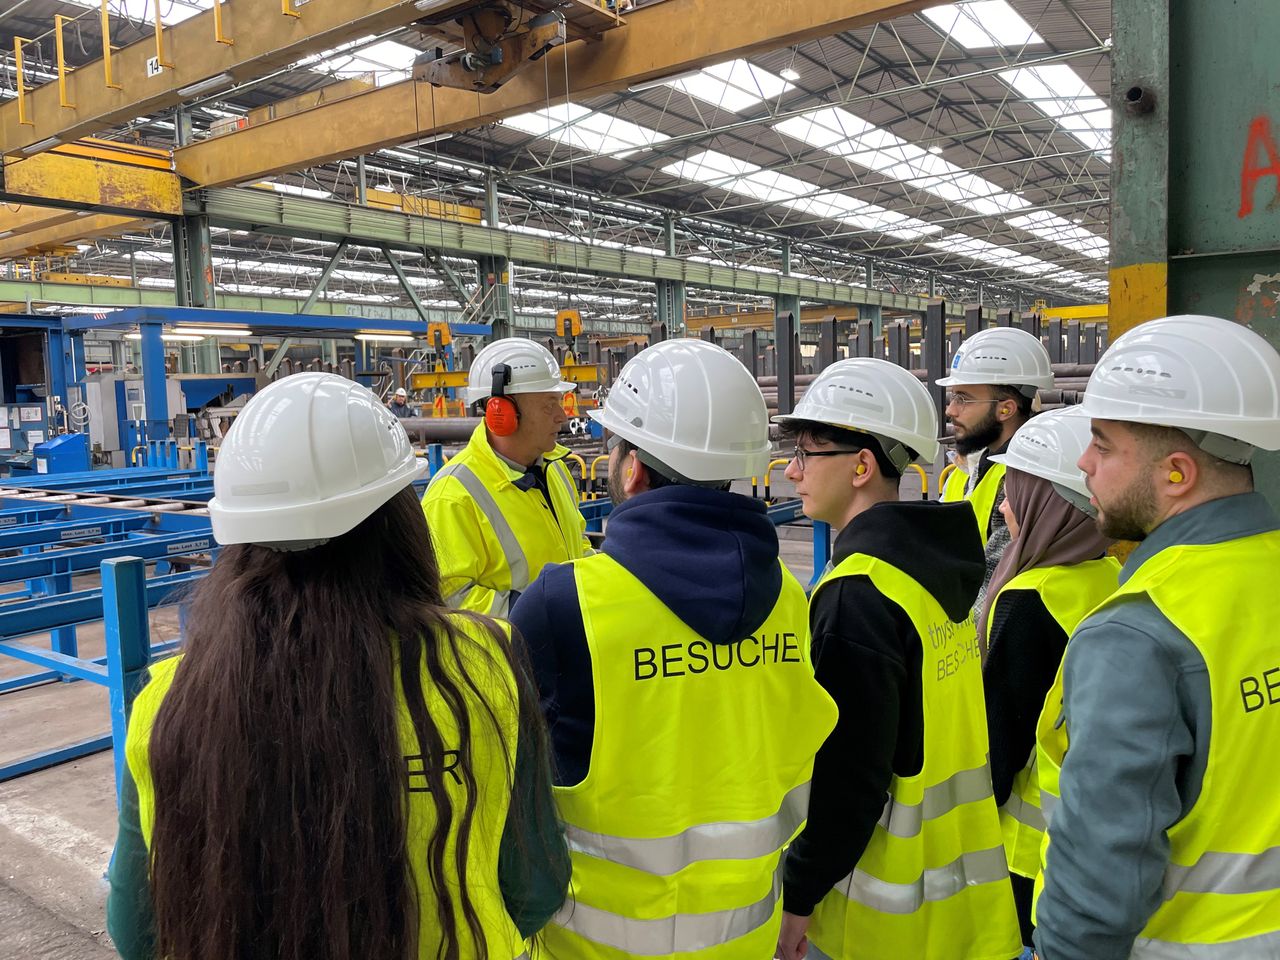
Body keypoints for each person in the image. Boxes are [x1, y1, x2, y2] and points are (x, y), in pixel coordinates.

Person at [107, 373, 569, 960]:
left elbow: (136, 929)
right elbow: (535, 889)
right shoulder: (485, 667)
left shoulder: (170, 702)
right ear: (402, 522)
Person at [509, 339, 838, 959]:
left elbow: (515, 804)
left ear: (631, 469)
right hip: (746, 938)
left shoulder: (563, 605)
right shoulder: (790, 600)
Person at [1032, 315, 1280, 960]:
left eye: (1104, 445)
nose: (1082, 463)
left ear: (1176, 473)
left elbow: (1100, 868)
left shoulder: (1138, 629)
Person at [773, 358, 1020, 960]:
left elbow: (850, 780)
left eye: (810, 452)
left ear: (861, 466)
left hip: (873, 915)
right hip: (956, 900)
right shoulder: (934, 569)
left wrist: (798, 896)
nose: (791, 469)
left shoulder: (858, 595)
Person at [976, 408, 1120, 947]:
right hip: (1086, 826)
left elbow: (1001, 737)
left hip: (1025, 844)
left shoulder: (1028, 599)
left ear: (1051, 507)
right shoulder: (1111, 574)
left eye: (1017, 493)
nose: (1007, 506)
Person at [423, 338, 590, 617]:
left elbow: (577, 544)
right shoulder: (453, 497)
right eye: (549, 405)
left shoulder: (555, 468)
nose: (562, 416)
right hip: (510, 656)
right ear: (502, 413)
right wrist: (541, 615)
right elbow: (449, 601)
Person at [936, 326, 1054, 615]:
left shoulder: (1023, 484)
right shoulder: (968, 468)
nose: (951, 410)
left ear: (1006, 409)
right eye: (952, 397)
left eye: (963, 398)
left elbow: (994, 590)